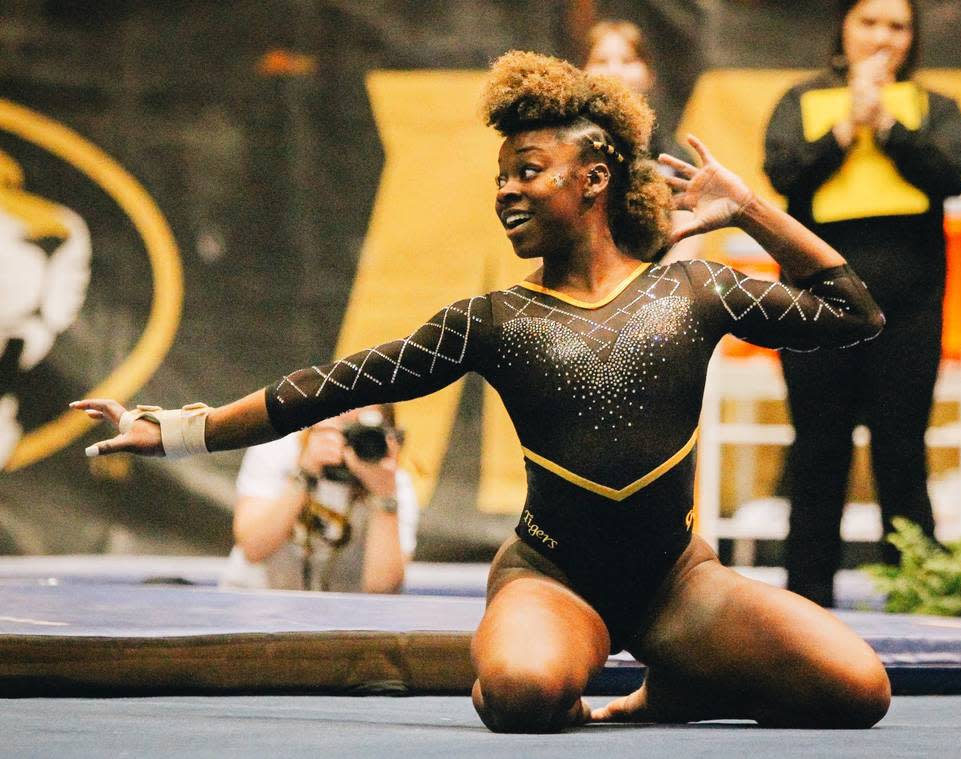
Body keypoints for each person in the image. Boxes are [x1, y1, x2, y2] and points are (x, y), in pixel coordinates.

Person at [74, 51, 889, 733]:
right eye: (501, 177)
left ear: (596, 177)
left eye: (528, 171)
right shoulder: (493, 320)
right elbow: (331, 386)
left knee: (860, 689)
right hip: (554, 574)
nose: (506, 190)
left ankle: (665, 685)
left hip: (677, 581)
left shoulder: (694, 291)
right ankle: (591, 667)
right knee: (520, 695)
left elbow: (854, 311)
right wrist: (183, 430)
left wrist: (746, 209)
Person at [763, 0, 961, 607]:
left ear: (912, 38)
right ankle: (805, 597)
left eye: (897, 25)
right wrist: (842, 130)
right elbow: (783, 173)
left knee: (902, 446)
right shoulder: (800, 100)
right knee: (818, 446)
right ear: (844, 29)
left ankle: (920, 592)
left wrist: (887, 128)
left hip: (908, 308)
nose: (883, 36)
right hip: (816, 304)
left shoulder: (937, 108)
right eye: (870, 22)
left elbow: (954, 174)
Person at [219, 403, 419, 593]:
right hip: (256, 598)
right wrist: (304, 474)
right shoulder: (278, 451)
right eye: (344, 427)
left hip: (340, 617)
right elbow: (253, 549)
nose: (348, 445)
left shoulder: (394, 484)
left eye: (363, 432)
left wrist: (383, 496)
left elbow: (382, 587)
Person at [582, 19, 701, 263]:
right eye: (602, 61)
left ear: (649, 74)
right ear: (582, 71)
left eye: (627, 60)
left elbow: (691, 237)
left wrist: (651, 292)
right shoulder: (563, 148)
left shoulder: (672, 155)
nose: (615, 71)